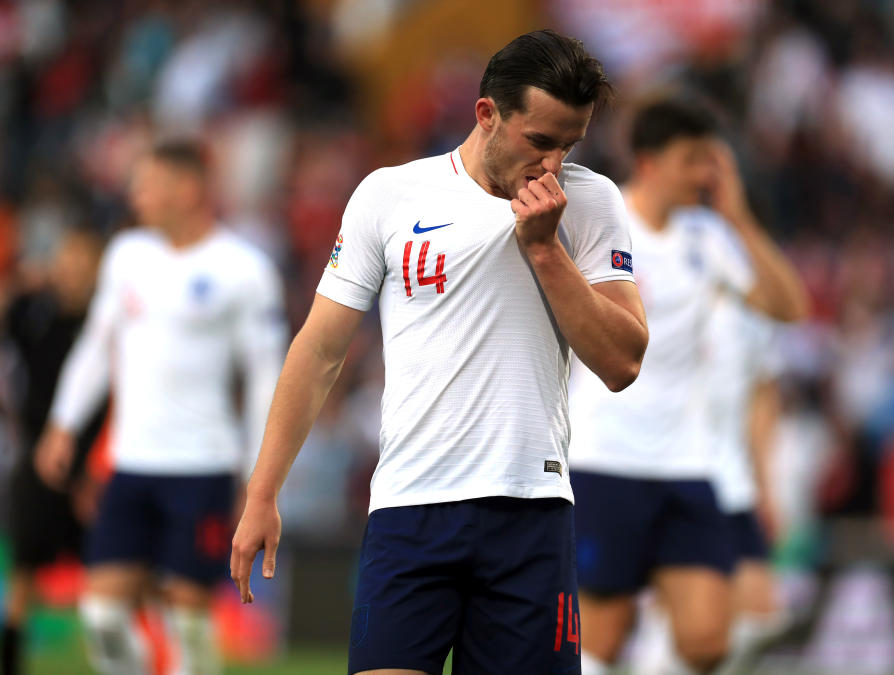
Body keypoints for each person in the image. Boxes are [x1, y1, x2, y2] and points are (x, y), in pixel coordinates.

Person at [230, 29, 649, 675]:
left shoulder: (589, 203)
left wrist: (545, 250)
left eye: (569, 144)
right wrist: (263, 490)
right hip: (410, 508)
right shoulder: (390, 195)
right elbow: (318, 351)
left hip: (529, 508)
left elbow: (623, 360)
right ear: (487, 114)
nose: (552, 165)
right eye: (539, 141)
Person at [567, 95, 809, 675]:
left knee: (707, 641)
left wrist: (739, 218)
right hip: (606, 458)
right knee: (599, 635)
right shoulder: (600, 223)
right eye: (693, 159)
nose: (707, 173)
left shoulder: (708, 239)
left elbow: (788, 306)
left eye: (711, 159)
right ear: (649, 162)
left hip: (685, 463)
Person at [34, 140, 287, 675]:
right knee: (102, 615)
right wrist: (63, 423)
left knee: (187, 626)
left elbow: (266, 374)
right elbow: (97, 347)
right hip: (129, 464)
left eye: (147, 184)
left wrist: (257, 468)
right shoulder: (128, 257)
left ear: (188, 189)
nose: (136, 195)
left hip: (202, 466)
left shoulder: (243, 269)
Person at [629, 294, 790, 675]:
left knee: (760, 615)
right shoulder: (659, 288)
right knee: (692, 618)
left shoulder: (751, 303)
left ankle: (662, 652)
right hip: (675, 470)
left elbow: (763, 392)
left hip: (732, 478)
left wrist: (765, 483)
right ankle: (659, 650)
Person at [0, 228, 106, 675]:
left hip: (93, 470)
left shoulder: (105, 323)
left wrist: (92, 473)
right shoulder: (33, 314)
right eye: (66, 261)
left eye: (81, 263)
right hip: (38, 462)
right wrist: (27, 281)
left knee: (109, 580)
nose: (71, 272)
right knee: (25, 572)